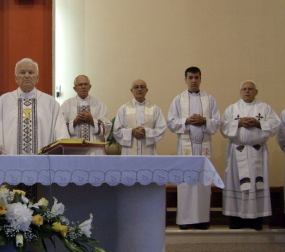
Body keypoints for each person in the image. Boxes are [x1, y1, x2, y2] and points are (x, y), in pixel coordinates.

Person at [221, 81, 280, 230]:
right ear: (240, 92)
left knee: (255, 185)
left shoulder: (264, 108)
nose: (247, 92)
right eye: (244, 89)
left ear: (256, 92)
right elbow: (223, 127)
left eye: (250, 89)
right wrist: (238, 123)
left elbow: (275, 125)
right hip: (237, 152)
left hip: (257, 152)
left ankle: (256, 220)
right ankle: (236, 219)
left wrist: (258, 123)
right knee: (236, 184)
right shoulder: (232, 108)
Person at [0, 58, 69, 155]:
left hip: (43, 163)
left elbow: (61, 134)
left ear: (37, 78)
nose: (27, 76)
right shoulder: (2, 102)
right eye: (22, 72)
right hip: (10, 162)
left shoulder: (51, 103)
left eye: (31, 72)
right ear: (16, 78)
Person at [167, 67, 220, 230]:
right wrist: (187, 121)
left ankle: (202, 220)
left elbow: (217, 122)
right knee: (186, 184)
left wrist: (204, 120)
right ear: (185, 80)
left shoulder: (209, 99)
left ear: (201, 79)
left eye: (196, 77)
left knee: (203, 184)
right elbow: (170, 122)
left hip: (203, 148)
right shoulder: (178, 99)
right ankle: (185, 220)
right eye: (190, 77)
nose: (194, 80)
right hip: (186, 148)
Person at [113, 79, 166, 155]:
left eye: (142, 87)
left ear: (146, 90)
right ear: (131, 90)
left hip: (149, 153)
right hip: (129, 153)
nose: (139, 89)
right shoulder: (124, 109)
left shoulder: (154, 109)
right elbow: (116, 131)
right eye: (136, 87)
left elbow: (161, 129)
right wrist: (131, 132)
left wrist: (146, 132)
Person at [60, 75, 111, 143]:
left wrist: (92, 121)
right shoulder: (66, 105)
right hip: (74, 149)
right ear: (75, 88)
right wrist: (75, 122)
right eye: (80, 85)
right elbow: (60, 128)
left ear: (90, 87)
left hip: (94, 149)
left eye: (86, 84)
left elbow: (107, 127)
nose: (83, 87)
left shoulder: (99, 104)